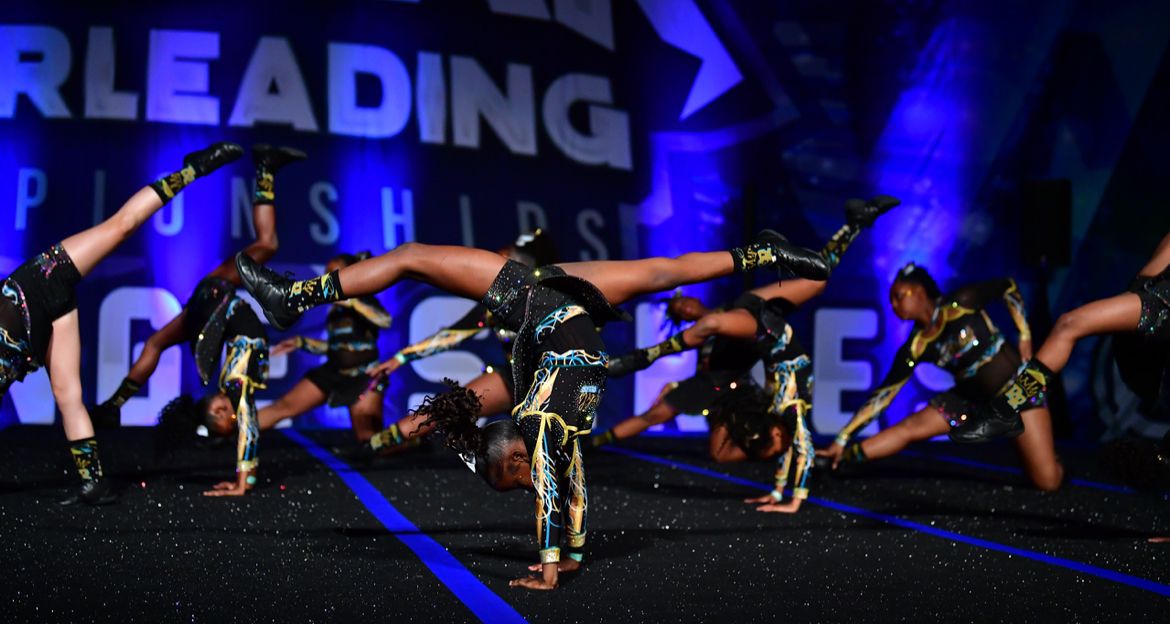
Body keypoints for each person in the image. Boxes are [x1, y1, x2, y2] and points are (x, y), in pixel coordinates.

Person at [236, 229, 831, 589]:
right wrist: (554, 561)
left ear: (515, 450)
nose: (527, 478)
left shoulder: (548, 420)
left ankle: (294, 298)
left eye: (514, 473)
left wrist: (562, 559)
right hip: (554, 314)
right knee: (416, 255)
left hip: (562, 317)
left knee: (657, 272)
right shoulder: (544, 419)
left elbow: (565, 489)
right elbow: (553, 482)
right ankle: (762, 253)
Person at [593, 196, 899, 513]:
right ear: (682, 320)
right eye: (680, 311)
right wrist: (679, 388)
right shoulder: (706, 338)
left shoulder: (725, 313)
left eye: (683, 302)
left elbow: (714, 322)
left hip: (755, 316)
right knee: (717, 451)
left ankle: (855, 223)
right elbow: (707, 365)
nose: (684, 306)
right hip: (732, 376)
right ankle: (611, 415)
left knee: (815, 279)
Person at [0, 141, 242, 505]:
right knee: (69, 396)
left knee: (121, 227)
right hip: (46, 316)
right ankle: (93, 483)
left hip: (35, 284)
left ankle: (193, 169)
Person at [92, 144, 305, 496]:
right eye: (228, 421)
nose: (228, 416)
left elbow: (248, 420)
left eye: (218, 416)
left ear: (207, 408)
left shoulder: (233, 375)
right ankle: (266, 167)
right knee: (267, 244)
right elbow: (245, 419)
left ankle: (114, 405)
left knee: (267, 245)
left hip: (214, 299)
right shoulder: (230, 371)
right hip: (209, 302)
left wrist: (244, 480)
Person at [817, 263, 1064, 491]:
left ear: (920, 291)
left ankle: (1051, 457)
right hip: (974, 399)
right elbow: (883, 396)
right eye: (891, 300)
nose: (893, 305)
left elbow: (1008, 286)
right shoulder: (917, 346)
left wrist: (1024, 335)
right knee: (909, 427)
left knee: (1047, 481)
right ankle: (839, 460)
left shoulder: (962, 303)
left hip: (1018, 390)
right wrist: (842, 437)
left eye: (899, 296)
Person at [951, 231, 1170, 445]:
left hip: (1159, 314)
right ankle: (1006, 410)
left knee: (1070, 324)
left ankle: (1006, 409)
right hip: (1150, 313)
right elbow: (1155, 265)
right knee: (1070, 324)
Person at [258, 252, 392, 442]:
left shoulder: (363, 298)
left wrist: (351, 301)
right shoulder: (334, 310)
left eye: (334, 272)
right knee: (283, 406)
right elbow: (335, 347)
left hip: (364, 376)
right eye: (326, 272)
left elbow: (385, 320)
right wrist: (301, 342)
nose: (327, 277)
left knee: (370, 440)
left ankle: (412, 441)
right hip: (333, 371)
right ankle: (231, 430)